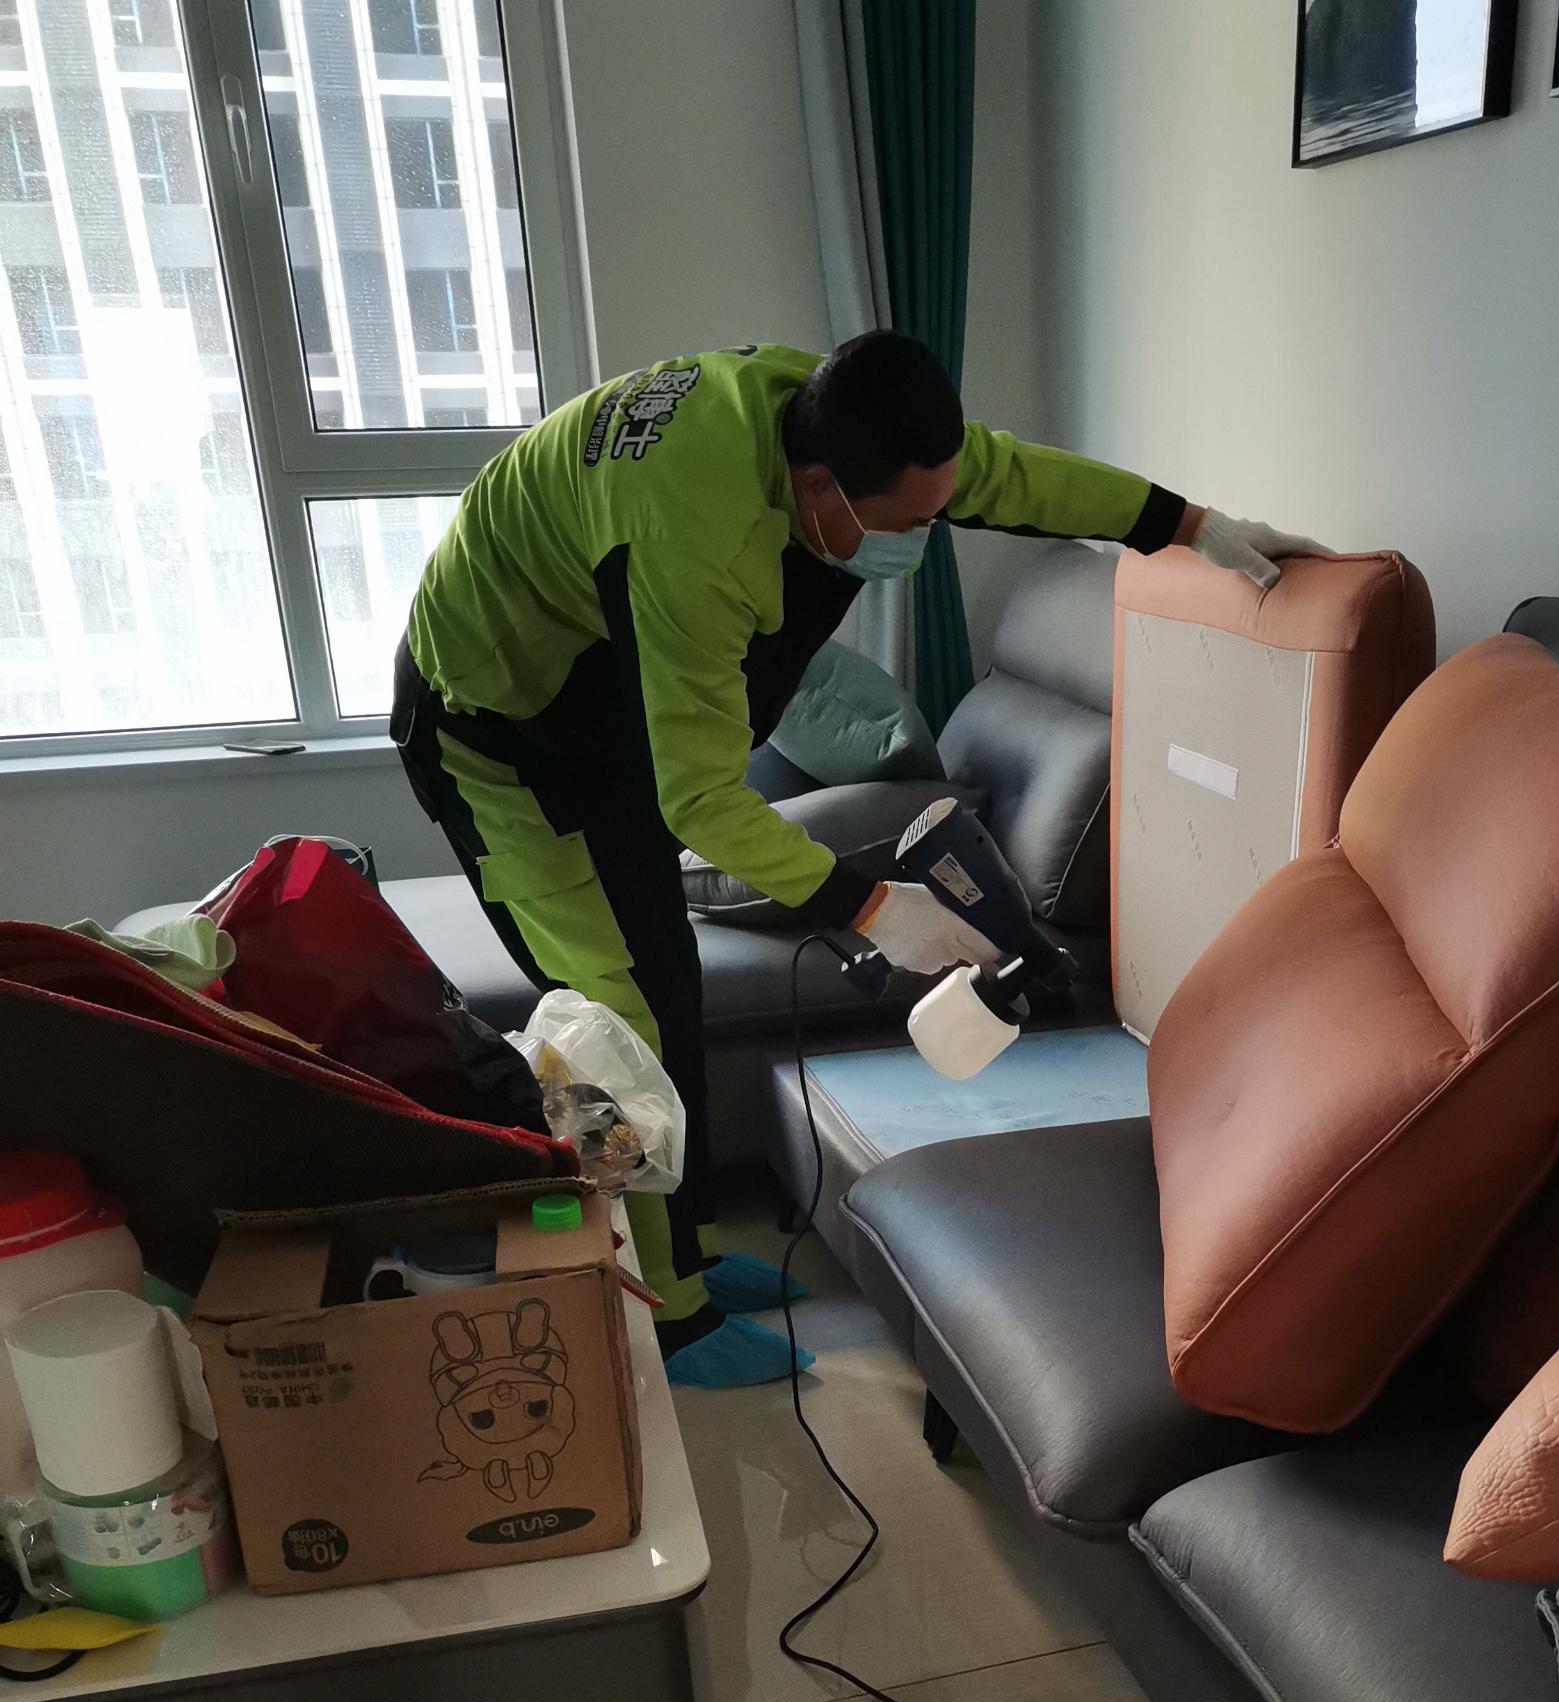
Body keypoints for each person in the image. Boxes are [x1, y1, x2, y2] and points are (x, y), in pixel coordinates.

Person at [392, 332, 1321, 1385]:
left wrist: (1195, 527)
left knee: (667, 984)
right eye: (903, 523)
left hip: (599, 714)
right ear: (817, 488)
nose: (919, 538)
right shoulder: (694, 542)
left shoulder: (833, 417)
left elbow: (1016, 478)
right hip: (492, 734)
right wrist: (870, 904)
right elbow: (701, 800)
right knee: (614, 1024)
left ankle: (691, 1254)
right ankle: (663, 1312)